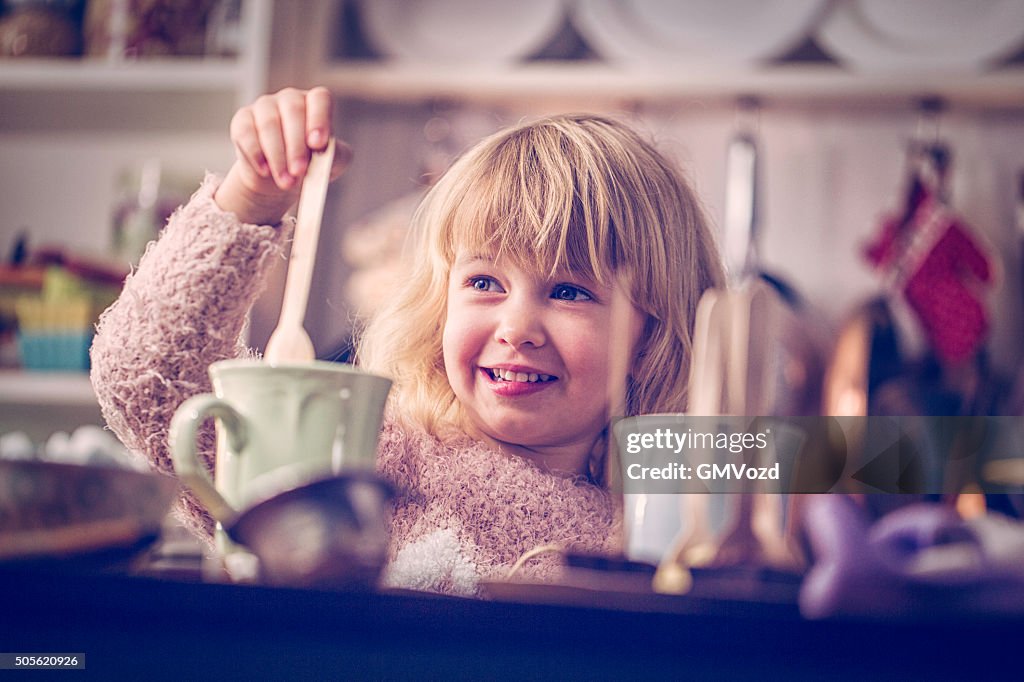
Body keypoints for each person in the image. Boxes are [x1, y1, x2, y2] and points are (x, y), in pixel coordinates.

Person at [90, 87, 724, 595]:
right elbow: (148, 379)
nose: (516, 328)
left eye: (569, 292)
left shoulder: (674, 514)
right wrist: (251, 200)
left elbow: (820, 466)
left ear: (653, 332)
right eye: (484, 281)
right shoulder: (366, 454)